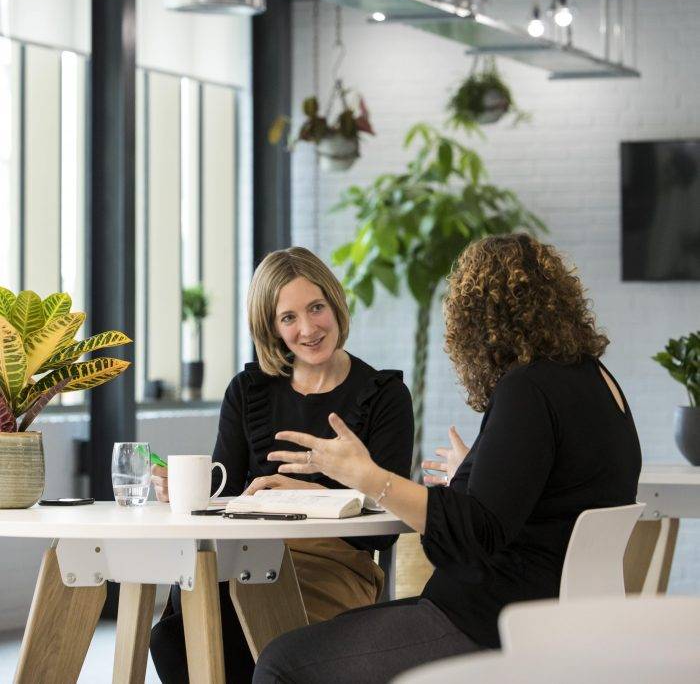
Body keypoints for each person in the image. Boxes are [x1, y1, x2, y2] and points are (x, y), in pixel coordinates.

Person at [253, 233, 642, 684]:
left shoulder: (528, 388)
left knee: (282, 662)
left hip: (492, 621)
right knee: (330, 639)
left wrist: (367, 476)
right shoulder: (597, 379)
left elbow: (476, 535)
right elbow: (547, 493)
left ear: (478, 319)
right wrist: (474, 474)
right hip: (558, 616)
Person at [149, 246, 413, 684]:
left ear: (335, 304)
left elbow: (386, 529)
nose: (308, 329)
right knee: (173, 636)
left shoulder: (383, 394)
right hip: (241, 555)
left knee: (209, 631)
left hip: (331, 568)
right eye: (288, 318)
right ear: (270, 326)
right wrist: (180, 492)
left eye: (316, 308)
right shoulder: (248, 390)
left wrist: (317, 500)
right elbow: (223, 495)